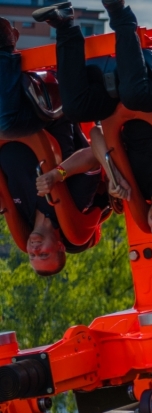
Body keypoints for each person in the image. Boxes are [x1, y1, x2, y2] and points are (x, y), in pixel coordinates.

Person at [34, 1, 152, 244]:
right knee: (134, 95)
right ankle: (119, 11)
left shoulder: (137, 188)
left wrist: (113, 173)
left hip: (118, 109)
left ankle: (64, 24)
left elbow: (96, 135)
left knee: (75, 109)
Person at [0, 18, 107, 276]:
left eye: (33, 255)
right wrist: (57, 174)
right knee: (7, 121)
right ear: (60, 246)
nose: (34, 248)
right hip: (46, 113)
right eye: (44, 253)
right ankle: (5, 43)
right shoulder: (75, 205)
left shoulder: (22, 215)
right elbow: (94, 156)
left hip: (14, 123)